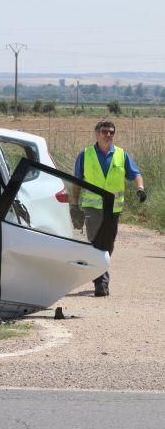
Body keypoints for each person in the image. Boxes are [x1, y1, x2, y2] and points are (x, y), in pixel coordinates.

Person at [70, 120, 146, 297]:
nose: (108, 135)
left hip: (113, 209)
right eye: (104, 132)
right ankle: (101, 282)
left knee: (108, 244)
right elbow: (77, 182)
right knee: (96, 242)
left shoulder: (121, 154)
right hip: (92, 208)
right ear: (97, 134)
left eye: (111, 132)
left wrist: (140, 188)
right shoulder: (85, 154)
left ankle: (100, 271)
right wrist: (74, 205)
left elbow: (135, 174)